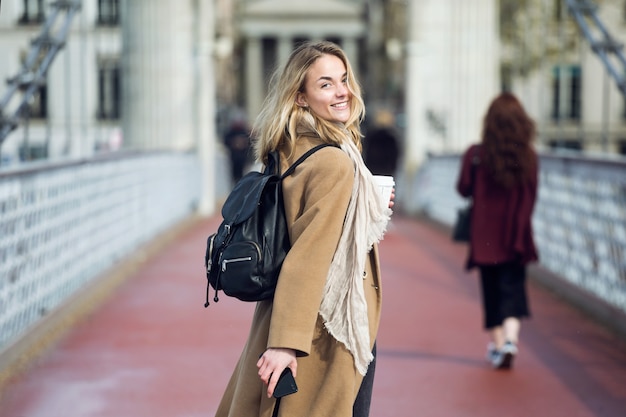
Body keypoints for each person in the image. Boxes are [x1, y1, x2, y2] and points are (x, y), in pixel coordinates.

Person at [214, 41, 392, 417]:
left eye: (343, 80)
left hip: (282, 311)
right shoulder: (334, 162)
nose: (342, 91)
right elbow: (309, 255)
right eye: (326, 84)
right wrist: (286, 344)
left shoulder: (290, 149)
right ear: (301, 97)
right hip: (327, 325)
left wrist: (366, 202)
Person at [456, 92, 539, 370]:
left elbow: (463, 188)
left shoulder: (476, 154)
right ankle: (511, 340)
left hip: (484, 237)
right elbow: (531, 197)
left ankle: (499, 344)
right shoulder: (529, 157)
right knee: (514, 287)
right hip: (515, 233)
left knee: (491, 291)